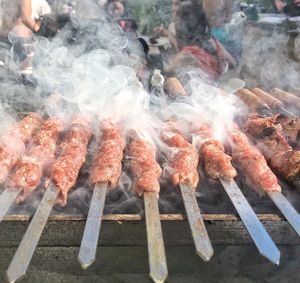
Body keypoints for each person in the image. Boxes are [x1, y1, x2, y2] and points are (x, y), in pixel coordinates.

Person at [166, 0, 236, 81]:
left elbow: (165, 72)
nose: (172, 8)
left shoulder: (188, 54)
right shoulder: (212, 41)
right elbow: (232, 63)